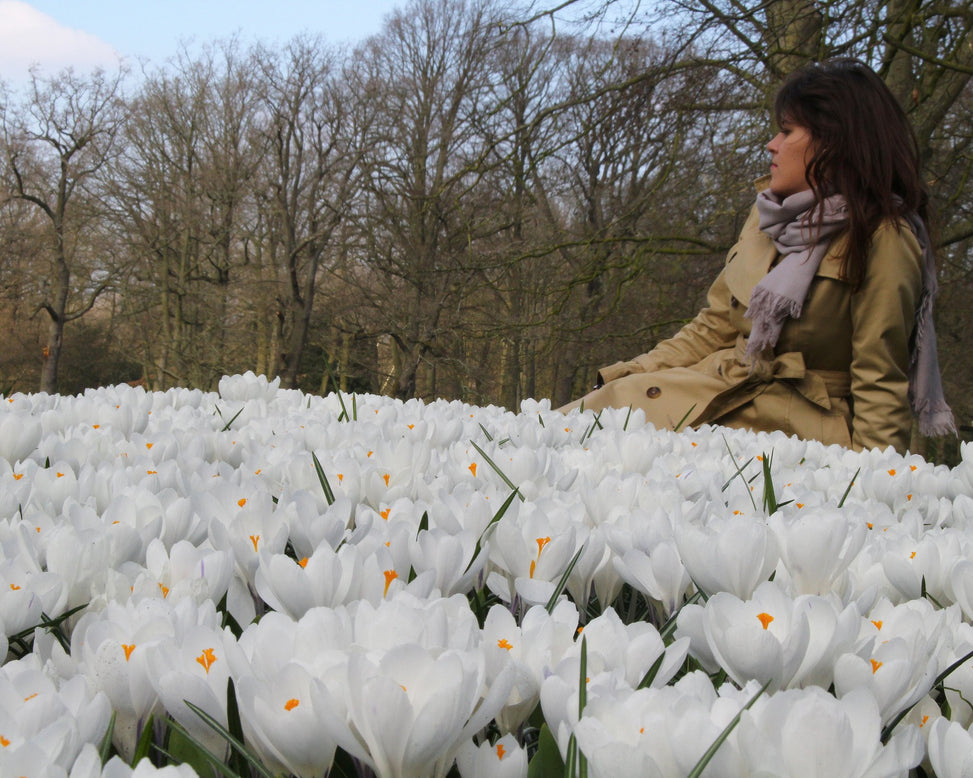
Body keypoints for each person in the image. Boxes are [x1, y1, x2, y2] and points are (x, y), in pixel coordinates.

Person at [560, 58, 955, 453]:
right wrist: (631, 373)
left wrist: (874, 492)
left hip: (798, 432)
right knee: (574, 426)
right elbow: (714, 326)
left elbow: (879, 379)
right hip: (720, 388)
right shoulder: (767, 214)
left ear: (835, 141)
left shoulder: (883, 237)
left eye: (787, 131)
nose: (772, 144)